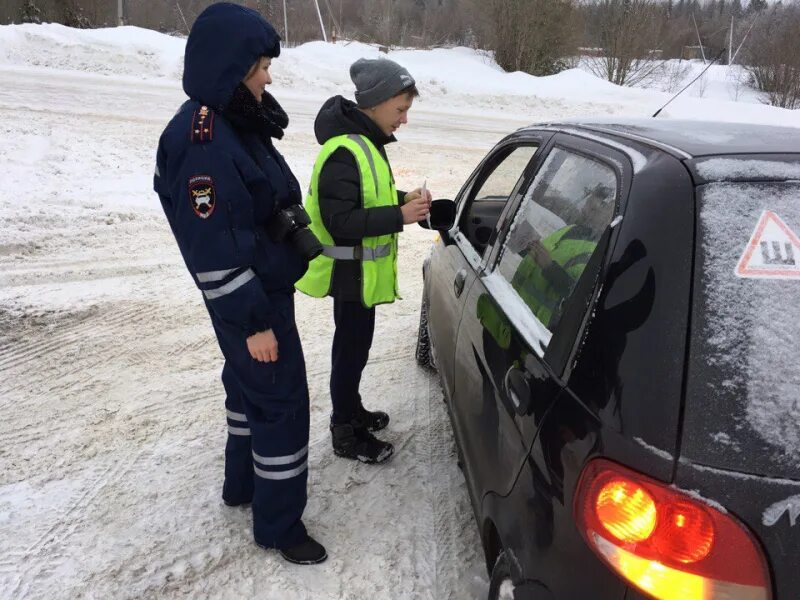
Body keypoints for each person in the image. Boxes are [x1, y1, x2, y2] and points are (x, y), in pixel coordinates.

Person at [153, 2, 326, 565]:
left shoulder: (227, 121)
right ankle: (280, 527)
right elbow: (214, 249)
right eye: (260, 66)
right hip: (249, 299)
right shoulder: (205, 140)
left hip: (255, 292)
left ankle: (242, 486)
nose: (268, 76)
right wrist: (253, 322)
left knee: (247, 391)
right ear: (231, 67)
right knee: (280, 402)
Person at [296, 58, 431, 464]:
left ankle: (352, 410)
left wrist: (400, 198)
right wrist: (399, 216)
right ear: (375, 103)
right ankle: (344, 431)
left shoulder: (365, 144)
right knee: (350, 350)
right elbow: (341, 221)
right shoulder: (343, 150)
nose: (404, 120)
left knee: (357, 347)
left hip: (362, 274)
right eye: (400, 110)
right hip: (348, 273)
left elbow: (364, 200)